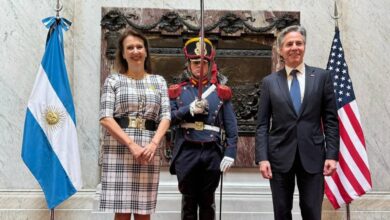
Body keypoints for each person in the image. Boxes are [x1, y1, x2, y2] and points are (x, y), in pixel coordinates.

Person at [255, 25, 340, 220]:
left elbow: (331, 121)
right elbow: (261, 124)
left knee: (311, 211)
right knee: (282, 212)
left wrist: (332, 155)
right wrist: (263, 158)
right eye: (289, 44)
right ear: (280, 50)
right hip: (278, 158)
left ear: (305, 46)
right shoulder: (269, 82)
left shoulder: (322, 77)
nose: (295, 47)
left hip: (313, 156)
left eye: (299, 43)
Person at [99, 29, 171, 220]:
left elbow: (166, 116)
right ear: (123, 54)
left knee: (143, 211)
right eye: (129, 47)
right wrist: (131, 144)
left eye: (139, 46)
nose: (135, 51)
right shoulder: (114, 80)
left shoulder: (159, 81)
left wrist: (154, 143)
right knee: (121, 211)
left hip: (148, 148)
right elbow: (106, 117)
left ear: (146, 51)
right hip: (120, 147)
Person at [168, 37, 238, 220]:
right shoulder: (178, 91)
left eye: (204, 63)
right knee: (188, 203)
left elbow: (231, 127)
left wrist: (230, 152)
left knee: (208, 203)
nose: (200, 66)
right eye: (195, 62)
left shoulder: (220, 92)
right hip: (186, 151)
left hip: (211, 152)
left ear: (210, 65)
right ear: (188, 64)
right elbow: (168, 120)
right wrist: (187, 110)